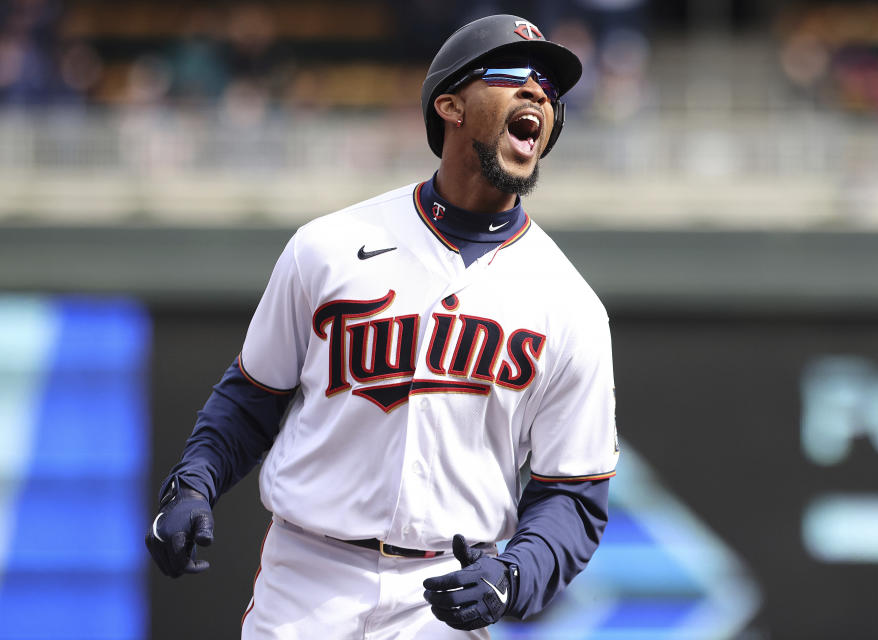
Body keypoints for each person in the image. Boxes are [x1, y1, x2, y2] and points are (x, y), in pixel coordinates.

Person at [145, 14, 619, 639]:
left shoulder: (571, 304)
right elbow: (253, 396)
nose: (538, 92)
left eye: (550, 89)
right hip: (307, 580)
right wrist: (192, 484)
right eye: (514, 76)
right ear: (449, 104)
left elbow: (573, 494)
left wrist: (513, 574)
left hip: (445, 595)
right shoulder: (330, 247)